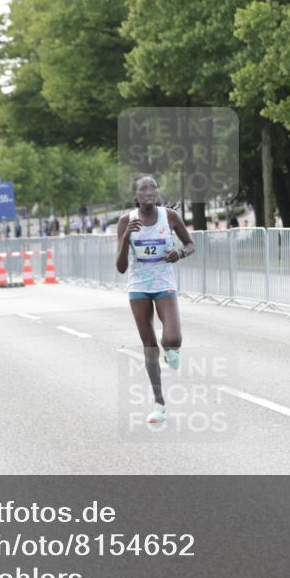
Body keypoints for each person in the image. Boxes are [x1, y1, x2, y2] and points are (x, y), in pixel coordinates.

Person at [116, 174, 196, 425]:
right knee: (149, 345)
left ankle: (170, 349)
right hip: (138, 286)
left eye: (153, 187)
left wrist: (180, 253)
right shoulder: (125, 221)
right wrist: (126, 238)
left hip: (164, 284)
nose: (149, 191)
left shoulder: (169, 217)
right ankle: (160, 404)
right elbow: (119, 267)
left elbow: (191, 244)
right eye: (143, 188)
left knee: (173, 339)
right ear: (136, 196)